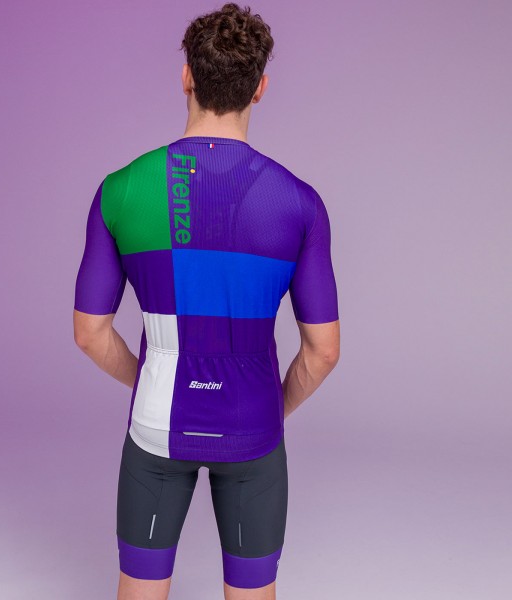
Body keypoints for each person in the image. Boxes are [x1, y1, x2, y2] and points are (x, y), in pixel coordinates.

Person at [73, 3, 340, 599]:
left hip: (158, 422)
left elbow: (89, 333)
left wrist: (154, 376)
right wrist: (269, 409)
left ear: (187, 76)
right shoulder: (299, 203)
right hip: (253, 427)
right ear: (260, 87)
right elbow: (323, 351)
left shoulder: (121, 189)